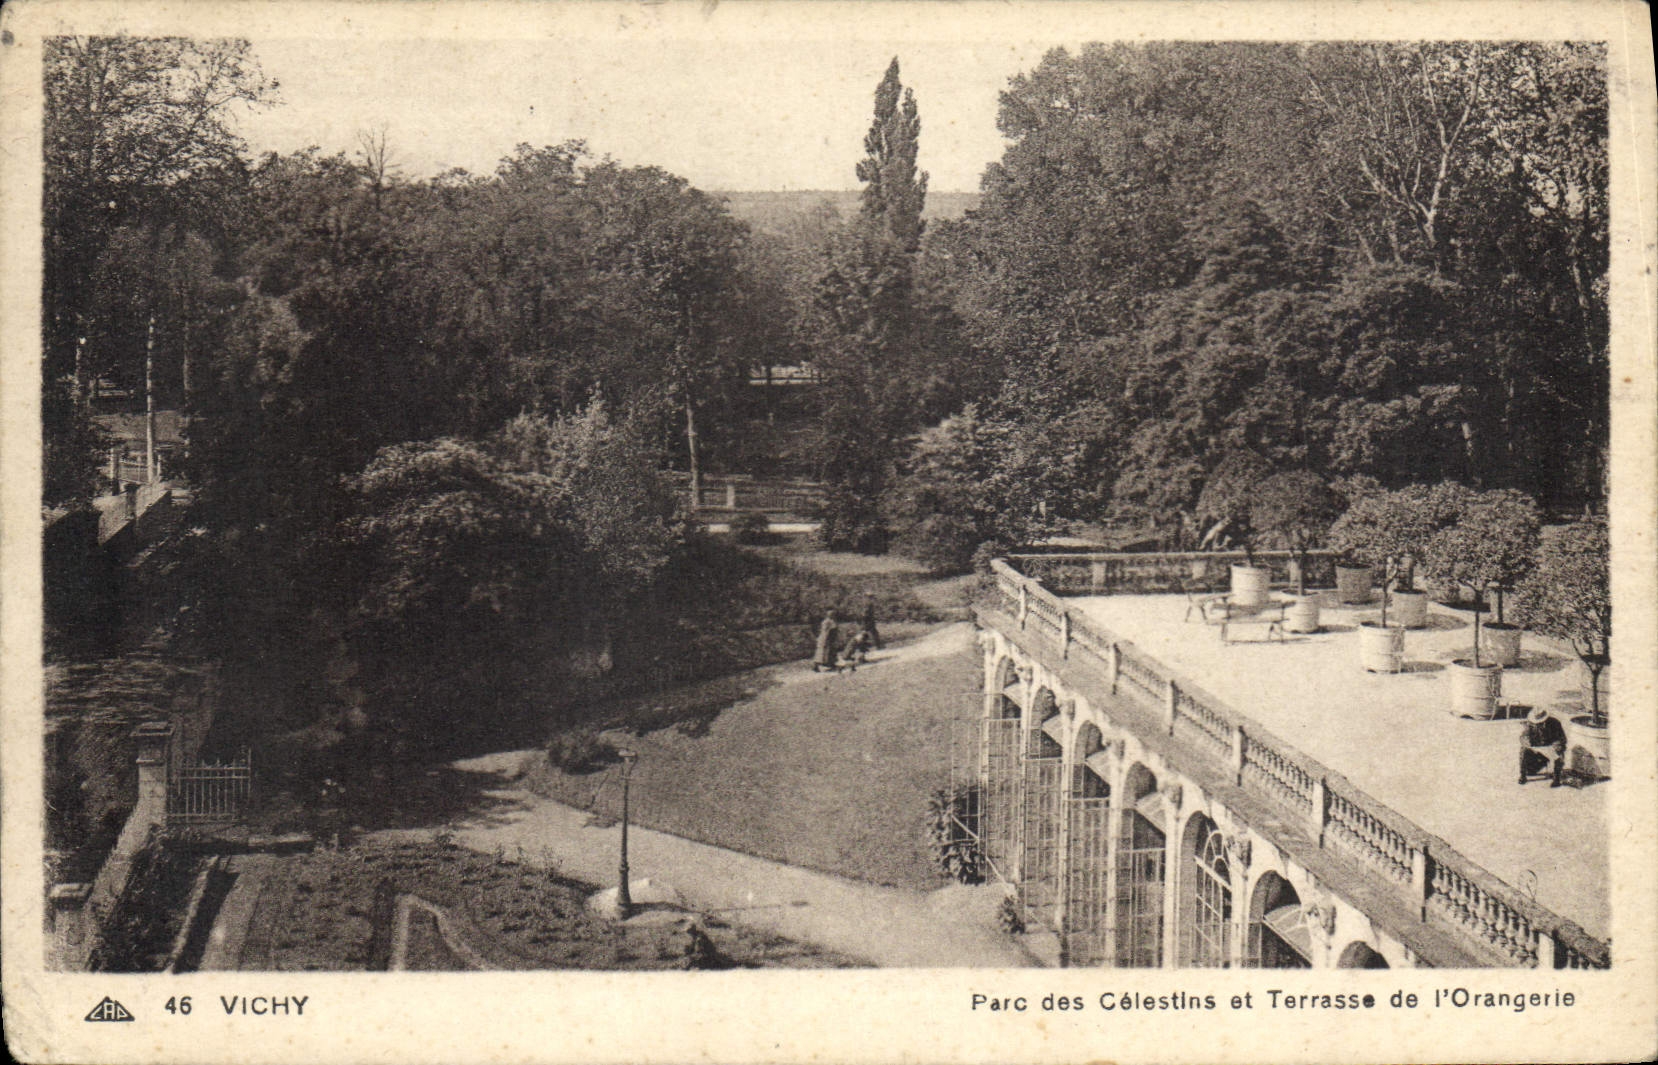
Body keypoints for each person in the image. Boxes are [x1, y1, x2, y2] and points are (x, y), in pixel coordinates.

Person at [1519, 706, 1567, 787]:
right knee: (1524, 751)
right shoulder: (1530, 724)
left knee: (1559, 755)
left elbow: (1562, 739)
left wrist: (1555, 746)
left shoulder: (1555, 723)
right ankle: (1523, 776)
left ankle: (1557, 778)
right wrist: (1526, 742)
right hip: (1536, 750)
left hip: (1551, 748)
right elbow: (1523, 736)